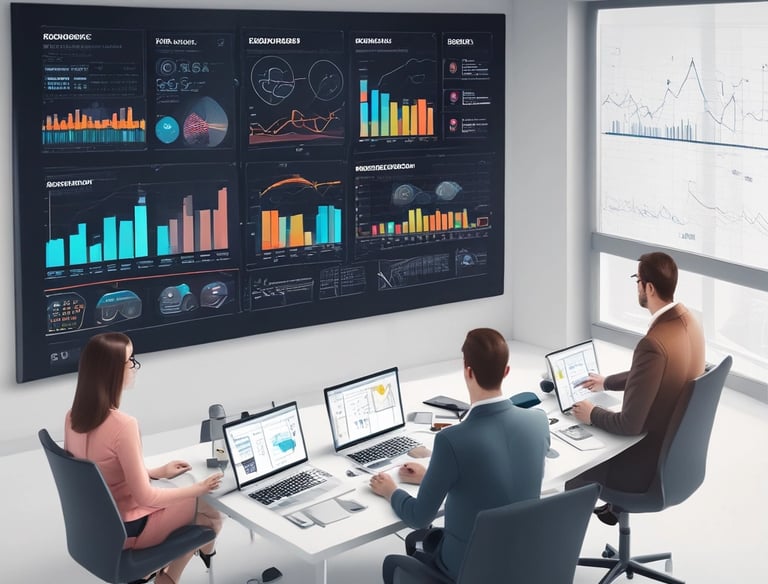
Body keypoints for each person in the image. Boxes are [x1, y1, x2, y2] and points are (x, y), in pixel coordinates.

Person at [369, 328, 550, 583]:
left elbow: (420, 517)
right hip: (521, 559)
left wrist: (390, 490)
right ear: (507, 371)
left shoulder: (451, 440)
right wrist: (433, 477)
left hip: (468, 568)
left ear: (468, 372)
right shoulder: (538, 421)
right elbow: (500, 480)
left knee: (399, 556)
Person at [64, 332, 224, 584]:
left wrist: (153, 472)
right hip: (129, 528)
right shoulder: (123, 425)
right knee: (211, 513)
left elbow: (97, 469)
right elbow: (146, 497)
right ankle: (169, 576)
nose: (135, 367)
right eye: (131, 360)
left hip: (99, 526)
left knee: (193, 500)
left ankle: (185, 559)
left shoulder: (73, 417)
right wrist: (198, 488)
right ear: (113, 371)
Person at [567, 252, 705, 523]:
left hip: (645, 468)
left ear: (649, 288)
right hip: (679, 458)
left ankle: (562, 549)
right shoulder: (688, 322)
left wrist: (591, 413)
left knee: (573, 468)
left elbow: (629, 425)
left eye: (637, 280)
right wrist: (606, 382)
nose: (637, 287)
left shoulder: (653, 344)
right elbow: (658, 372)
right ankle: (615, 509)